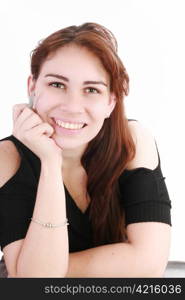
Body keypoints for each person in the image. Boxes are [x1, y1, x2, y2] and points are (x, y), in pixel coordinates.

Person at [0, 22, 171, 278]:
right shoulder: (7, 159)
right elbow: (35, 287)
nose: (72, 106)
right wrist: (49, 161)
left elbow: (150, 264)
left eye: (91, 90)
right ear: (33, 86)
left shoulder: (132, 142)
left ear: (111, 102)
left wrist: (44, 268)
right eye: (57, 85)